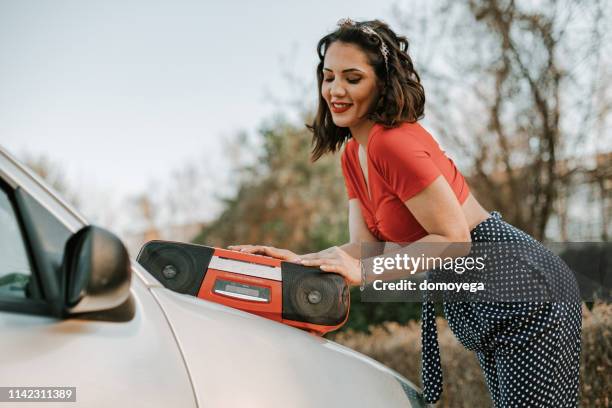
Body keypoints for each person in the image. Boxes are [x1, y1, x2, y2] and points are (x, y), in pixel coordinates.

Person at [230, 18, 581, 407]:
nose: (336, 90)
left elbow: (454, 239)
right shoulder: (353, 154)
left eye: (352, 78)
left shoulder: (393, 143)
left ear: (381, 82)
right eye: (328, 77)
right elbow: (366, 247)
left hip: (517, 281)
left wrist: (363, 273)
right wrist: (299, 263)